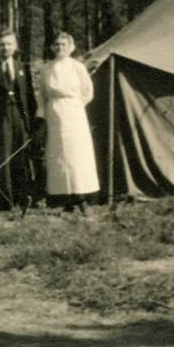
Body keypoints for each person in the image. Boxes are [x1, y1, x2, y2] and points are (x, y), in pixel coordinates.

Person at [36, 31, 99, 214]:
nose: (60, 48)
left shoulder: (78, 67)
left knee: (76, 156)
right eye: (57, 44)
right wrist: (43, 115)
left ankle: (81, 198)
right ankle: (67, 199)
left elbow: (88, 92)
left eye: (63, 44)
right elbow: (41, 95)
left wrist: (74, 106)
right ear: (52, 47)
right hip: (54, 113)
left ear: (71, 47)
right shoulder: (46, 69)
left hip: (74, 113)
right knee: (59, 156)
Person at [0, 30, 36, 217]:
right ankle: (3, 204)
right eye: (1, 44)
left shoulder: (23, 67)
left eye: (9, 44)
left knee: (20, 158)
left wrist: (30, 122)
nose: (5, 48)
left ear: (15, 46)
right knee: (2, 159)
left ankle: (21, 200)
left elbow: (29, 97)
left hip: (19, 118)